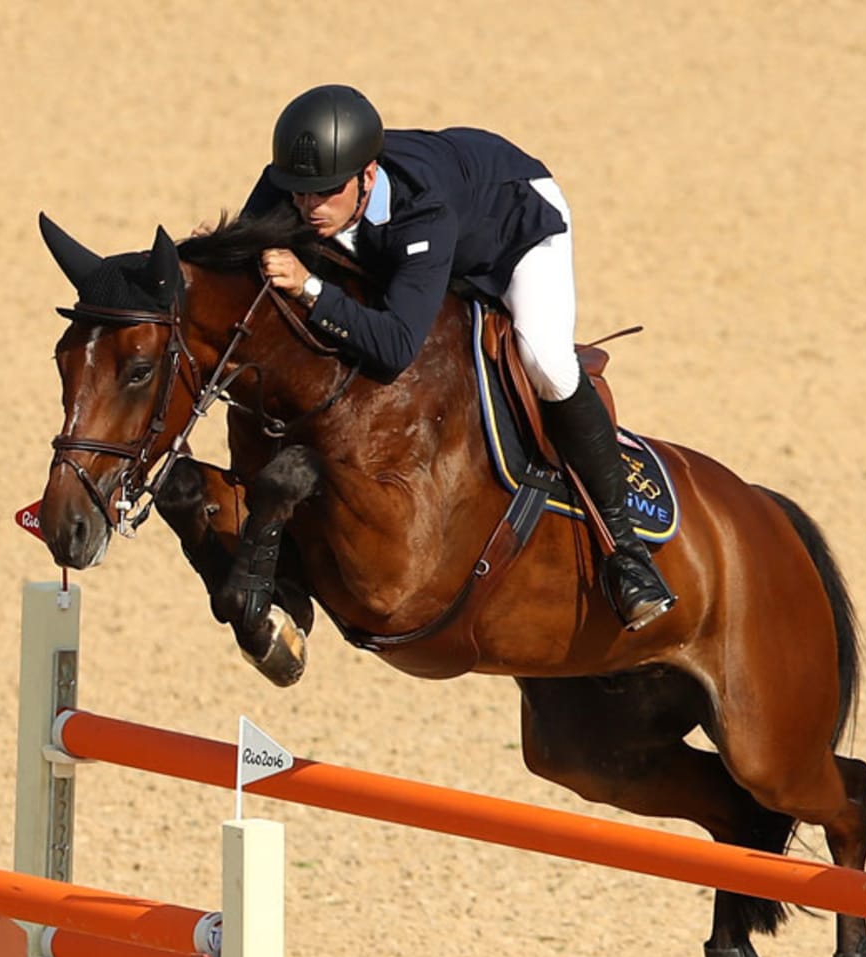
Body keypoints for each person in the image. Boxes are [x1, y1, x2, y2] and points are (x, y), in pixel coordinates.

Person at [243, 84, 675, 631]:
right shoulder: (295, 183)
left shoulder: (423, 209)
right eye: (299, 193)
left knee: (545, 360)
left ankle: (626, 550)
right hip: (436, 217)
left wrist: (310, 289)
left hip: (513, 225)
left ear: (367, 178)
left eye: (324, 194)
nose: (307, 208)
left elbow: (396, 347)